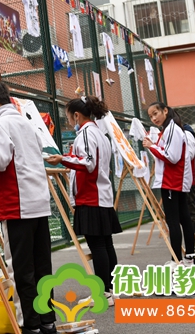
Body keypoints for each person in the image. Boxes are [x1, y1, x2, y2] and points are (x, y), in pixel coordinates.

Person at [0, 82, 56, 334]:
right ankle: (47, 321)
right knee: (42, 267)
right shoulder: (26, 122)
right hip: (38, 203)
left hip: (16, 205)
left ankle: (30, 325)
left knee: (21, 269)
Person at [48, 96, 121, 306]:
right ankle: (111, 290)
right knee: (106, 244)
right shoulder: (99, 133)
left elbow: (88, 163)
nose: (69, 120)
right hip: (100, 196)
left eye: (69, 116)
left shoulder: (87, 133)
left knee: (98, 246)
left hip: (91, 197)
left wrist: (63, 159)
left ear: (77, 115)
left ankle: (103, 293)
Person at [143, 102, 195, 264]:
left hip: (172, 181)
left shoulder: (172, 129)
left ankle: (177, 260)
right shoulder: (170, 129)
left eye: (155, 113)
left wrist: (152, 147)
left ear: (165, 111)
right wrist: (154, 146)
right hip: (175, 180)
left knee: (174, 221)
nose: (153, 118)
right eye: (150, 116)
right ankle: (189, 257)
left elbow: (171, 157)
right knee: (184, 219)